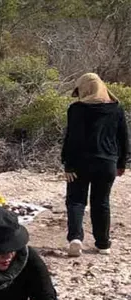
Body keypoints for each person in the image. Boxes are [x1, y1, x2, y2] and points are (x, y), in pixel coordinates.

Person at [61, 73, 128, 257]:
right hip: (107, 163)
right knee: (101, 202)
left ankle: (75, 238)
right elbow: (123, 138)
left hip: (80, 162)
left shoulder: (76, 109)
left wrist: (68, 164)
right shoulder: (116, 109)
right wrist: (122, 163)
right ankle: (103, 244)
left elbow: (71, 138)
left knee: (75, 200)